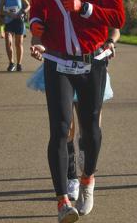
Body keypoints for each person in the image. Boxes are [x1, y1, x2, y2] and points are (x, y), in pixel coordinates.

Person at [28, 0, 125, 223]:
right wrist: (36, 30)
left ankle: (87, 180)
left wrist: (86, 8)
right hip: (57, 60)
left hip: (91, 59)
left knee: (90, 128)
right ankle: (62, 202)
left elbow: (119, 16)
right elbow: (37, 9)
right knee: (59, 129)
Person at [27, 27, 119, 202]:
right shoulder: (59, 0)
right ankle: (71, 177)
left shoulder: (96, 1)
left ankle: (87, 173)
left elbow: (115, 28)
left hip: (92, 66)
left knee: (91, 128)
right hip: (61, 66)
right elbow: (38, 30)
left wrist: (111, 42)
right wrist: (38, 43)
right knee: (65, 126)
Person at [0, 0, 30, 72]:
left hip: (19, 22)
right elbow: (0, 10)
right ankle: (11, 63)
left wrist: (24, 12)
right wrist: (8, 13)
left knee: (18, 44)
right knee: (8, 43)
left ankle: (19, 64)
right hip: (9, 22)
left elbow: (28, 5)